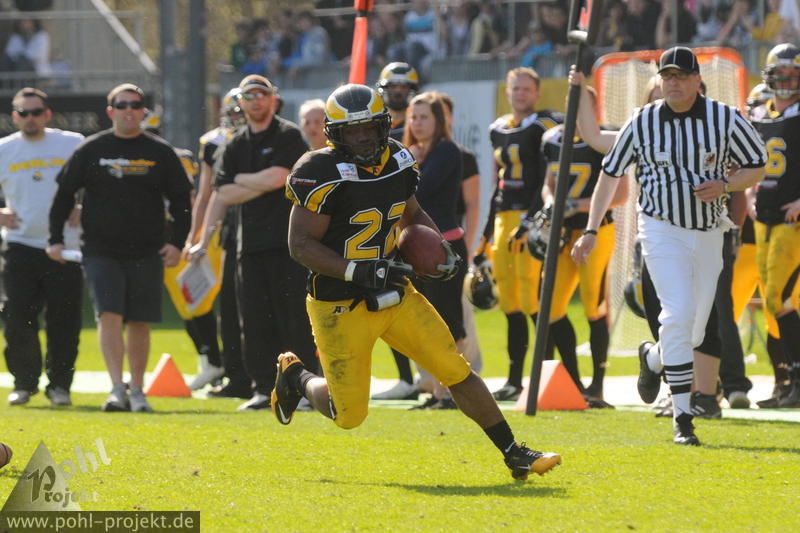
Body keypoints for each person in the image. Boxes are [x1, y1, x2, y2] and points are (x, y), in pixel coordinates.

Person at [275, 83, 561, 481]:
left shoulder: (397, 159)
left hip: (393, 292)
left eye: (369, 129)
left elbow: (412, 212)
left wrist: (439, 247)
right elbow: (300, 244)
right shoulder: (317, 171)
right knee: (348, 415)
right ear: (336, 135)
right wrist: (358, 270)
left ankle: (515, 453)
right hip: (339, 302)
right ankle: (297, 377)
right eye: (353, 132)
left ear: (383, 125)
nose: (363, 139)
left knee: (455, 368)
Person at [572, 47, 766, 445]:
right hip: (660, 228)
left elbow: (757, 165)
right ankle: (683, 419)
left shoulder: (724, 118)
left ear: (697, 79)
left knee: (693, 330)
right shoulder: (642, 120)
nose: (673, 83)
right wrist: (591, 228)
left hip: (709, 231)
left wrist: (726, 184)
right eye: (667, 76)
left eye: (681, 76)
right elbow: (609, 173)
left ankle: (653, 356)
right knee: (676, 313)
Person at [48, 83, 193, 413]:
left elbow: (182, 202)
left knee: (139, 321)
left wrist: (177, 243)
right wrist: (55, 239)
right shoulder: (91, 149)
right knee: (109, 313)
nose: (129, 110)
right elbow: (64, 196)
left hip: (147, 250)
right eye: (122, 105)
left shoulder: (160, 151)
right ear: (110, 111)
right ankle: (116, 389)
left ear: (143, 111)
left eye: (135, 105)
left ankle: (137, 390)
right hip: (100, 249)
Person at [187, 74, 318, 411]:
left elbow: (280, 177)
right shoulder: (234, 144)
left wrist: (242, 181)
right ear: (241, 103)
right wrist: (203, 237)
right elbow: (222, 192)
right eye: (249, 95)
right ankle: (263, 388)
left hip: (289, 245)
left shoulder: (289, 135)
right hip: (249, 244)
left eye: (262, 94)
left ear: (273, 99)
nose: (256, 101)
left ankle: (304, 387)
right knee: (255, 320)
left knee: (293, 319)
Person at [539, 84, 629, 407]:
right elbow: (548, 185)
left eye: (584, 103)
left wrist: (577, 206)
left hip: (597, 231)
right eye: (573, 100)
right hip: (563, 233)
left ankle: (597, 386)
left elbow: (621, 194)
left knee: (594, 305)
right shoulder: (553, 139)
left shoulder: (606, 139)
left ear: (595, 106)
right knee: (551, 306)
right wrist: (551, 203)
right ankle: (574, 382)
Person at [0, 87, 83, 407]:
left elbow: (99, 181)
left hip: (64, 245)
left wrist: (84, 206)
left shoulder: (72, 143)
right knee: (17, 318)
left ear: (47, 115)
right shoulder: (5, 149)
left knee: (64, 321)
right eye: (24, 113)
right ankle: (24, 384)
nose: (30, 118)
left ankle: (60, 386)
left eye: (36, 112)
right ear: (14, 116)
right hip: (20, 244)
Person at [482, 67, 561, 402]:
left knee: (533, 298)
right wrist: (485, 235)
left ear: (537, 93)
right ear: (507, 92)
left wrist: (531, 219)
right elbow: (498, 182)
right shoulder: (497, 128)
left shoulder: (544, 125)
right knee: (508, 301)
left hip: (530, 217)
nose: (520, 94)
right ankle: (515, 379)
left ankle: (545, 377)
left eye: (527, 89)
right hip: (504, 216)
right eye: (516, 88)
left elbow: (546, 179)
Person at [139, 109, 224, 392]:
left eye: (152, 133)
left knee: (198, 300)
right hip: (160, 238)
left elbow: (185, 198)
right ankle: (208, 360)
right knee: (185, 306)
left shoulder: (174, 158)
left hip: (186, 235)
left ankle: (215, 360)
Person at [402, 91, 467, 409]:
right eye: (413, 117)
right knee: (427, 323)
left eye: (424, 117)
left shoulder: (447, 150)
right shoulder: (410, 153)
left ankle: (453, 391)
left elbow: (421, 190)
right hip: (415, 250)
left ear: (438, 120)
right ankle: (437, 391)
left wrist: (409, 164)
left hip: (444, 248)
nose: (417, 123)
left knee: (450, 322)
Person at [747, 43, 800, 407]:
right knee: (772, 302)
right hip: (764, 218)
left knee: (779, 297)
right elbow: (750, 163)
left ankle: (796, 380)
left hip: (790, 220)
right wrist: (751, 192)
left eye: (793, 73)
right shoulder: (758, 113)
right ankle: (786, 382)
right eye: (781, 72)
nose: (787, 79)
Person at [188, 88, 251, 399]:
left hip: (263, 224)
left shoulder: (273, 138)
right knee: (228, 305)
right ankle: (235, 374)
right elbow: (206, 194)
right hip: (229, 228)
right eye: (235, 111)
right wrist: (196, 237)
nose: (239, 117)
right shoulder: (214, 142)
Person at [370, 61, 423, 400]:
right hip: (384, 223)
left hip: (415, 219)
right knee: (387, 301)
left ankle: (435, 377)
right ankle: (407, 377)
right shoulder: (376, 128)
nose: (399, 93)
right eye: (394, 87)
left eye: (405, 87)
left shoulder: (419, 128)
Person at [375, 62, 419, 141]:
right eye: (393, 86)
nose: (398, 91)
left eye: (404, 87)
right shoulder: (375, 124)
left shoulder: (419, 124)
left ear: (412, 90)